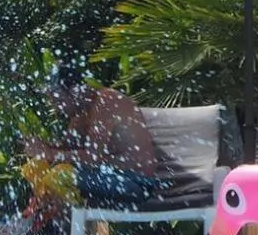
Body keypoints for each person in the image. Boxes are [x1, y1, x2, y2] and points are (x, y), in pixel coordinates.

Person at [23, 78, 162, 212]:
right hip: (106, 174)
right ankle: (43, 217)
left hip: (136, 182)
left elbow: (93, 158)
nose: (56, 107)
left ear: (76, 92)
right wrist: (43, 147)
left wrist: (49, 153)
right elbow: (67, 151)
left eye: (59, 101)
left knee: (60, 176)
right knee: (34, 167)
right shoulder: (80, 114)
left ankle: (73, 227)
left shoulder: (106, 102)